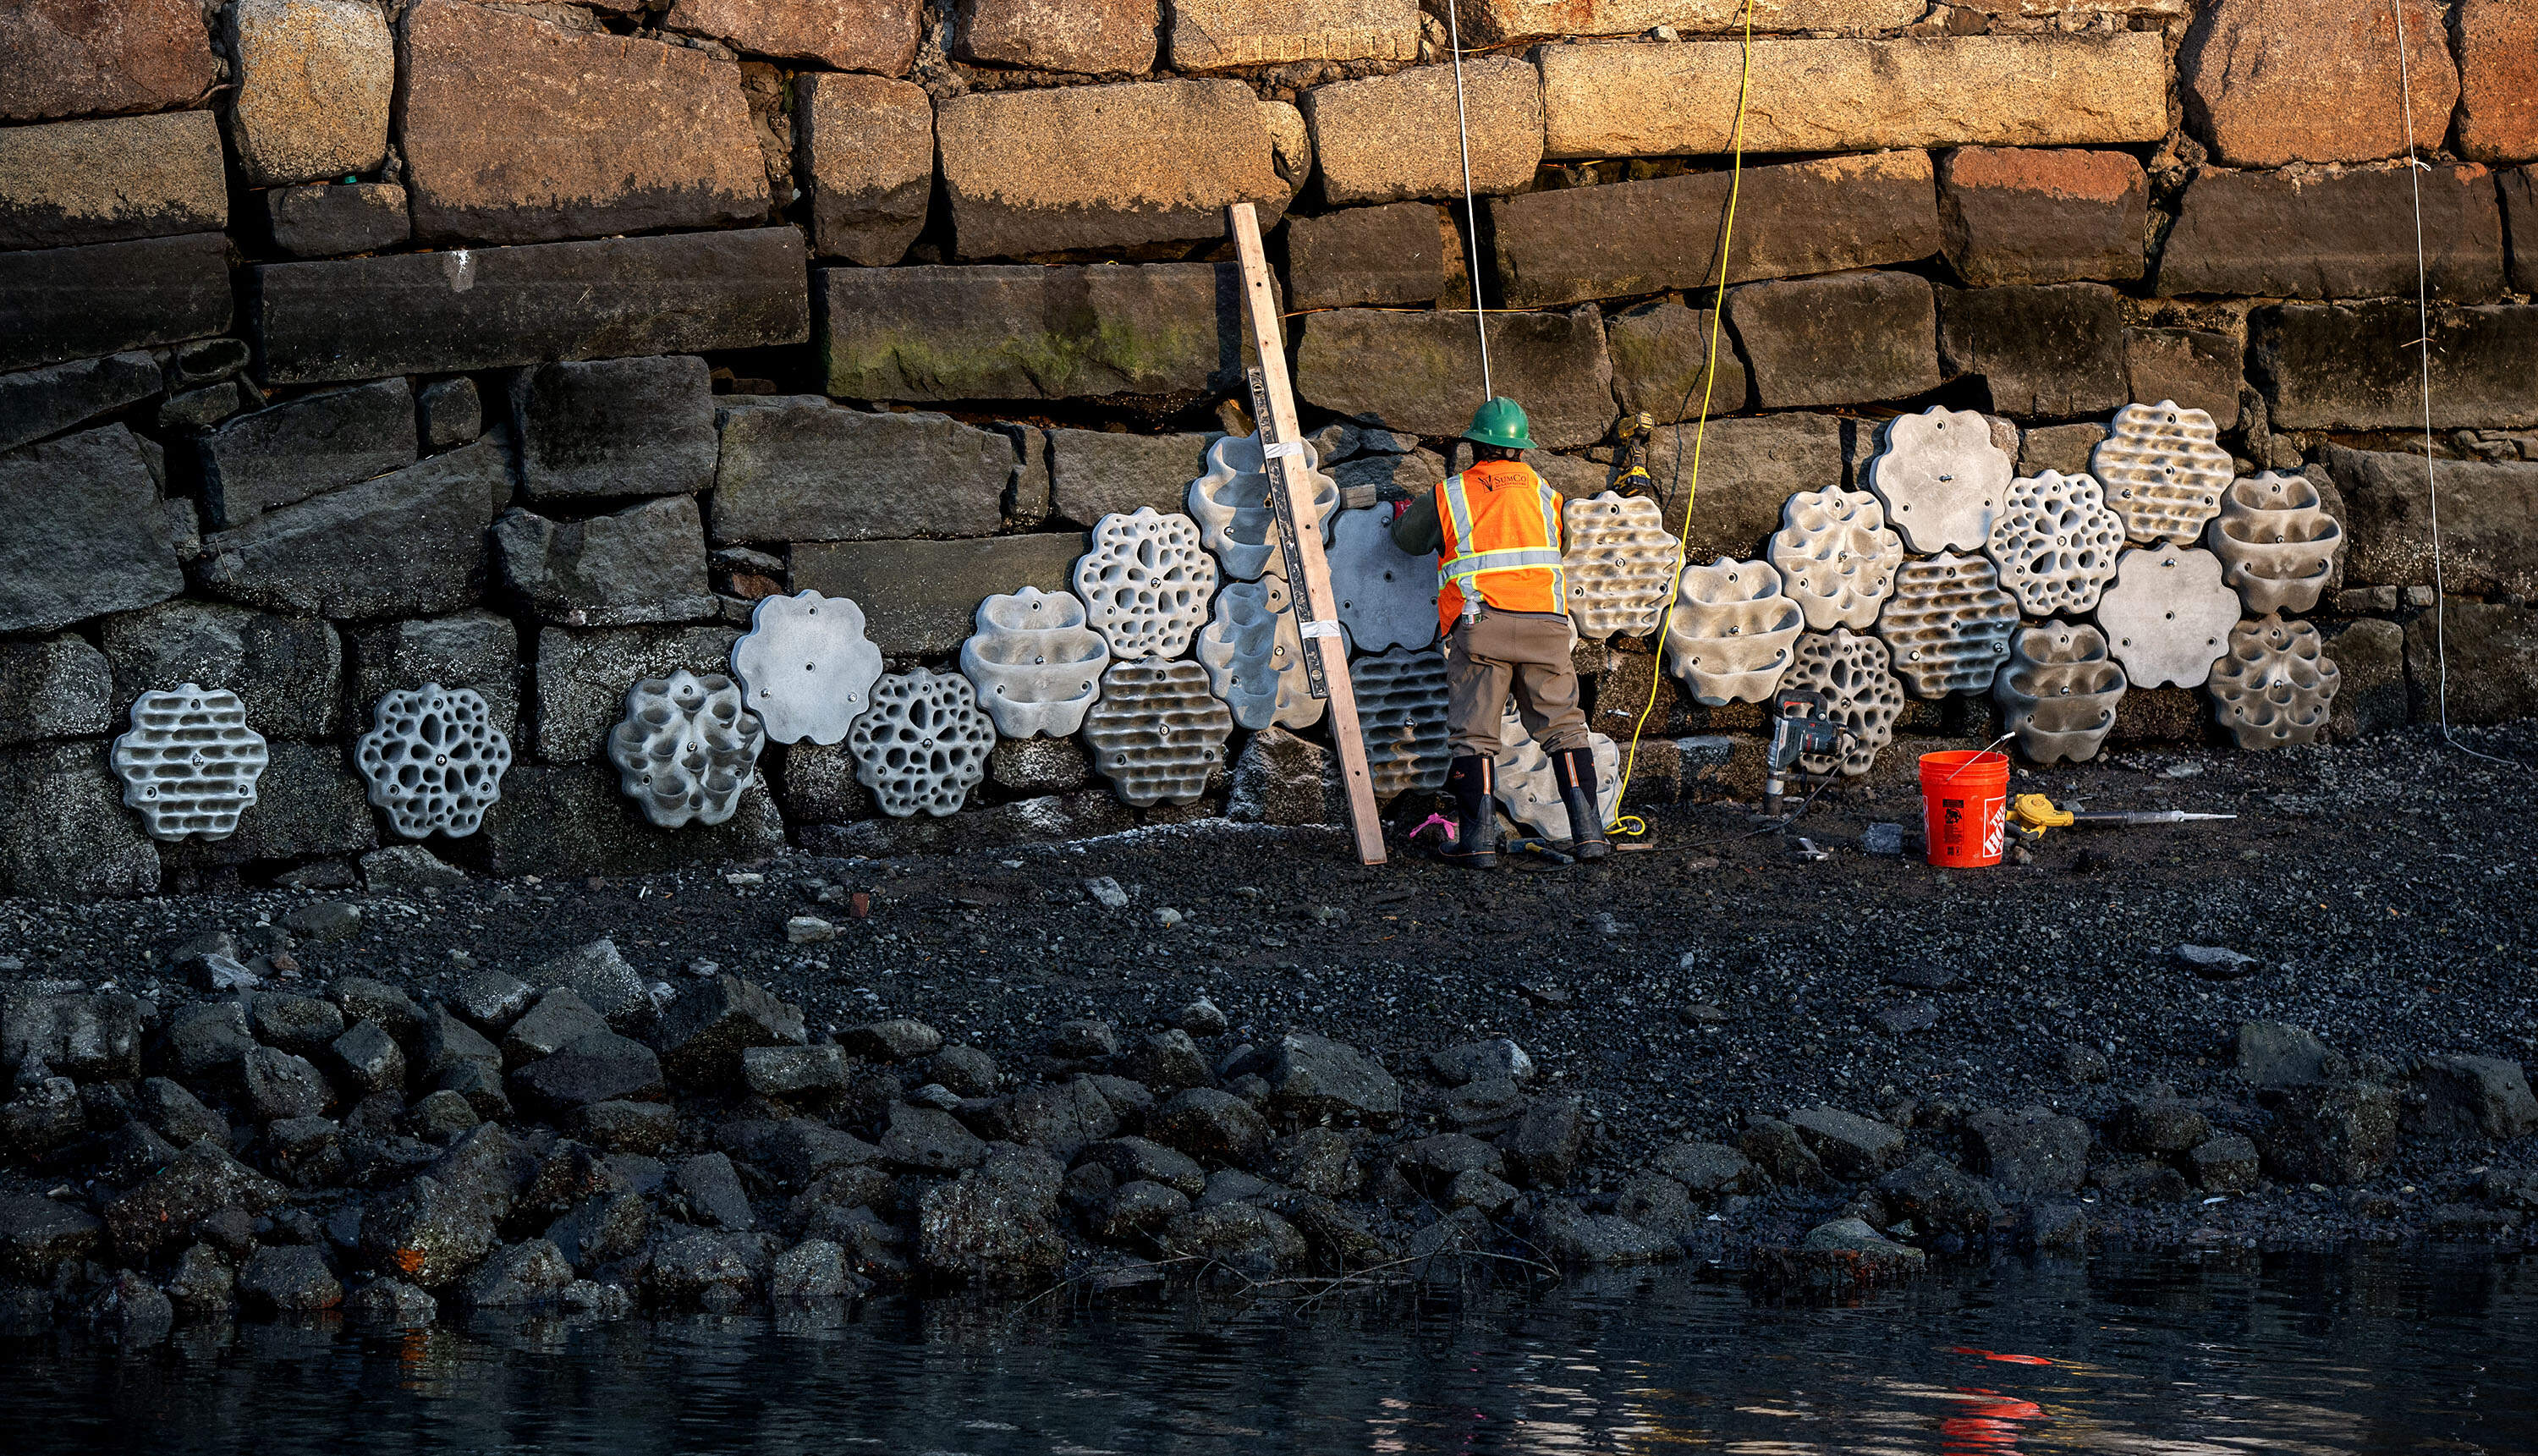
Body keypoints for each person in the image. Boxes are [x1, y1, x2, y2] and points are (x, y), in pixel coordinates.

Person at [1389, 397, 1607, 867]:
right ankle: (1589, 835)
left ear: (1475, 446)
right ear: (1521, 449)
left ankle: (1479, 844)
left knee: (1475, 735)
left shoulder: (1451, 494)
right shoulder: (1548, 495)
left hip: (1481, 624)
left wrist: (1410, 514)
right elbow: (1559, 544)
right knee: (1565, 727)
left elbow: (1407, 540)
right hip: (1546, 625)